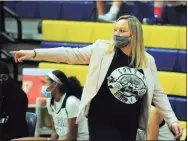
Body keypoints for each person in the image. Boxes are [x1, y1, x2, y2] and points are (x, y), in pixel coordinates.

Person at [10, 15, 183, 140]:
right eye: (115, 29)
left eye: (122, 31)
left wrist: (172, 120)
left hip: (130, 122)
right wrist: (33, 53)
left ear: (134, 35)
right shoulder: (102, 50)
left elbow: (158, 94)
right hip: (102, 120)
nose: (116, 34)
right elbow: (68, 54)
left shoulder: (147, 61)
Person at [13, 70, 89, 141]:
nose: (44, 86)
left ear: (55, 84)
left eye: (46, 83)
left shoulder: (71, 102)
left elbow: (71, 137)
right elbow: (55, 132)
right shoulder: (50, 102)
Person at [0, 61, 29, 140]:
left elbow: (16, 122)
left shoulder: (17, 93)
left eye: (4, 77)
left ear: (8, 76)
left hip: (14, 134)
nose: (1, 81)